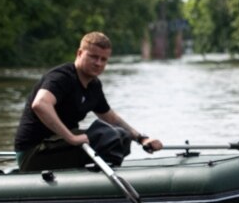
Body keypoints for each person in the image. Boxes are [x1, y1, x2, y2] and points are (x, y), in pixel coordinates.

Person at [14, 32, 163, 171]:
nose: (98, 63)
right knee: (106, 136)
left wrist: (141, 138)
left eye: (103, 59)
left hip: (57, 144)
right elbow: (40, 104)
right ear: (79, 53)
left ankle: (104, 175)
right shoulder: (62, 77)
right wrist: (71, 138)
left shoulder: (94, 85)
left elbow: (111, 118)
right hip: (33, 152)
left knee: (121, 136)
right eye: (93, 57)